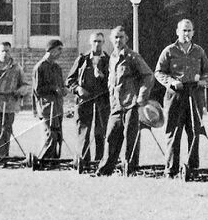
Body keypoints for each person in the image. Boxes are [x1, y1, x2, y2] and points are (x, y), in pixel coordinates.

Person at [154, 18, 208, 178]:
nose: (186, 33)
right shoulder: (169, 51)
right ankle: (171, 170)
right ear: (177, 32)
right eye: (183, 30)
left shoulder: (199, 51)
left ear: (193, 32)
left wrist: (203, 81)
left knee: (194, 130)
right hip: (175, 96)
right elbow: (158, 72)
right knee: (173, 131)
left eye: (189, 30)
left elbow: (207, 72)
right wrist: (172, 82)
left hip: (194, 95)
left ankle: (193, 169)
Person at [97, 25, 154, 176]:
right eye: (115, 37)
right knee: (110, 136)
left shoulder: (133, 57)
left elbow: (148, 75)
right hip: (116, 105)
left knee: (131, 138)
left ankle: (129, 169)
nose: (118, 40)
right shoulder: (112, 58)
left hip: (131, 104)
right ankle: (104, 170)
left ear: (126, 39)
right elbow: (112, 80)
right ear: (111, 39)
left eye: (121, 37)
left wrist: (142, 95)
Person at [67, 32, 110, 170]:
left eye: (100, 41)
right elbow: (70, 80)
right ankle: (82, 162)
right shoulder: (82, 59)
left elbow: (115, 81)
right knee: (83, 132)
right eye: (95, 41)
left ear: (104, 43)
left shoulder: (109, 60)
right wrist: (78, 89)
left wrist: (103, 77)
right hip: (84, 101)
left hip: (102, 101)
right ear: (90, 42)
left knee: (101, 132)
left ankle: (100, 162)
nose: (97, 44)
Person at [34, 39, 67, 158]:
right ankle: (43, 160)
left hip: (58, 106)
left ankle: (54, 160)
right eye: (59, 50)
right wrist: (53, 88)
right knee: (50, 135)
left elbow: (61, 85)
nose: (60, 53)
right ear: (51, 50)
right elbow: (37, 90)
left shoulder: (57, 68)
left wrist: (64, 89)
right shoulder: (40, 67)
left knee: (58, 135)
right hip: (46, 107)